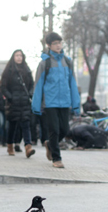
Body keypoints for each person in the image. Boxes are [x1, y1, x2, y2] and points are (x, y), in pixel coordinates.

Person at [31, 32, 81, 168]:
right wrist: (36, 105)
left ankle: (50, 144)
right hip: (50, 102)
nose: (58, 46)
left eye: (60, 43)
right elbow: (38, 85)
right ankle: (56, 158)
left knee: (64, 130)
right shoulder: (44, 63)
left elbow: (72, 83)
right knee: (54, 130)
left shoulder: (68, 62)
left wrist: (76, 104)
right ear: (49, 45)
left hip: (65, 101)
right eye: (55, 43)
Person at [0, 50, 36, 158]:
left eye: (20, 55)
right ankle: (10, 145)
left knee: (26, 124)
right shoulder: (9, 71)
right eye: (17, 55)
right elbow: (3, 87)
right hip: (13, 103)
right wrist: (10, 98)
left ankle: (28, 147)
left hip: (24, 102)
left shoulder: (27, 70)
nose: (19, 57)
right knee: (13, 125)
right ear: (13, 57)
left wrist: (29, 95)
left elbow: (32, 85)